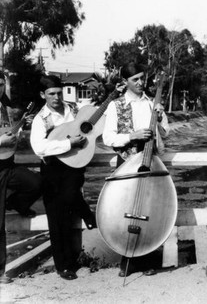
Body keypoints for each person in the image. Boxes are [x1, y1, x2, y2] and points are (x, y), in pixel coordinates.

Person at [102, 62, 170, 277]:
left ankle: (147, 258)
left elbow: (165, 133)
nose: (141, 83)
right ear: (125, 82)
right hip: (127, 163)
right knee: (125, 209)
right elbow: (108, 138)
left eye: (142, 78)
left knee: (148, 209)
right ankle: (128, 259)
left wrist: (159, 118)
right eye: (135, 79)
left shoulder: (153, 103)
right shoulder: (115, 105)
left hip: (150, 161)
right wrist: (133, 136)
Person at [30, 75, 96, 281]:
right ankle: (64, 266)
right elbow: (39, 147)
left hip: (75, 166)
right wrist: (68, 144)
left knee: (69, 196)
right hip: (52, 168)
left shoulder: (74, 110)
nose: (56, 97)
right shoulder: (40, 119)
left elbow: (92, 122)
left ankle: (84, 214)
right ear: (43, 95)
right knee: (56, 216)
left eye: (59, 93)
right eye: (51, 94)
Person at [0, 72, 42, 284]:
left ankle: (13, 202)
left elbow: (10, 136)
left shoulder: (5, 109)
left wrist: (22, 125)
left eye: (0, 85)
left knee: (36, 183)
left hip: (9, 165)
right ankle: (0, 273)